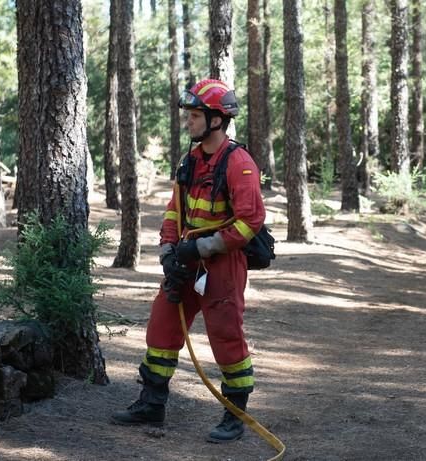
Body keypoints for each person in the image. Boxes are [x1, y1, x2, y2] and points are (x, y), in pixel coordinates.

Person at [111, 79, 266, 444]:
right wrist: (167, 251)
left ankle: (235, 415)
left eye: (195, 116)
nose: (189, 122)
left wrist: (203, 248)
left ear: (216, 120)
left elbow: (250, 222)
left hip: (221, 265)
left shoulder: (239, 163)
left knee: (226, 339)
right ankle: (152, 402)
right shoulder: (191, 160)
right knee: (162, 328)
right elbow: (173, 211)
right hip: (184, 260)